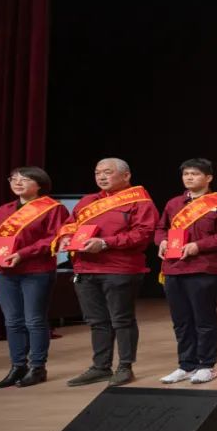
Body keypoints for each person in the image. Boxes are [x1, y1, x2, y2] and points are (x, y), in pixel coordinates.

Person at [57, 158, 158, 387]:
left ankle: (125, 367)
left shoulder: (139, 201)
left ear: (126, 176)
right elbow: (70, 224)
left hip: (119, 269)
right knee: (96, 321)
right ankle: (100, 367)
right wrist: (65, 237)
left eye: (107, 172)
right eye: (97, 173)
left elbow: (143, 234)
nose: (101, 177)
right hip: (85, 268)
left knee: (122, 320)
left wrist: (105, 243)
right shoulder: (88, 200)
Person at [0, 166, 69, 388]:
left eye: (25, 179)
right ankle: (17, 366)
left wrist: (22, 254)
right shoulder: (5, 209)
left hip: (36, 272)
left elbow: (54, 238)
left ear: (39, 184)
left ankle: (37, 367)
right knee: (12, 322)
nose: (17, 183)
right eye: (13, 179)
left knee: (34, 320)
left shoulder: (53, 208)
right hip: (5, 273)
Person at [154, 158, 217, 385]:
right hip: (173, 268)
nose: (189, 177)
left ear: (208, 178)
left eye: (195, 174)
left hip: (203, 268)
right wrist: (162, 241)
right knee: (181, 321)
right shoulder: (174, 203)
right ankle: (186, 365)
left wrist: (198, 246)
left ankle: (207, 365)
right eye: (186, 174)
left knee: (204, 320)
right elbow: (161, 228)